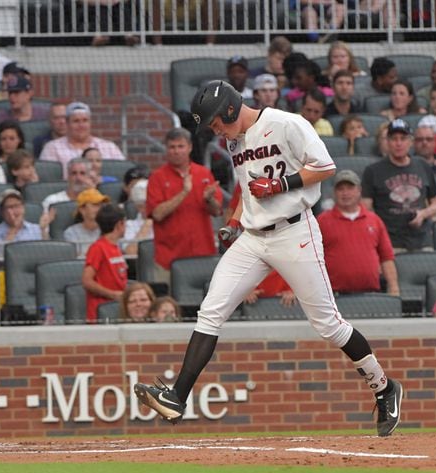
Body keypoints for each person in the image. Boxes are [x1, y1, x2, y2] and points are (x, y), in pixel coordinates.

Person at [133, 80, 403, 437]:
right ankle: (177, 397)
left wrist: (281, 185)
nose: (214, 129)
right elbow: (247, 189)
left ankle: (384, 386)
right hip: (253, 237)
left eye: (215, 121)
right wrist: (232, 223)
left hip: (295, 232)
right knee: (211, 311)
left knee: (328, 324)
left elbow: (324, 166)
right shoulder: (234, 139)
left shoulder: (286, 123)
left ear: (230, 108)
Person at [146, 127, 223, 286]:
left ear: (190, 147)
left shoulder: (203, 174)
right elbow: (157, 214)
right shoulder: (157, 177)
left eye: (180, 146)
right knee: (168, 306)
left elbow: (217, 211)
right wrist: (184, 192)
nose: (176, 151)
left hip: (203, 256)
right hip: (168, 259)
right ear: (166, 149)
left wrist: (209, 199)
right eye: (172, 147)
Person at [361, 119, 436, 252]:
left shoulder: (422, 165)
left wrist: (423, 214)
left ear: (410, 142)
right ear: (387, 142)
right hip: (391, 243)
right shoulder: (373, 171)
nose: (398, 143)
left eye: (403, 138)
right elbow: (366, 209)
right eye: (394, 139)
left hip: (422, 240)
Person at [318, 170, 399, 296]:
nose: (345, 193)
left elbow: (386, 257)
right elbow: (310, 258)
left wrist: (394, 288)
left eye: (350, 188)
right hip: (334, 296)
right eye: (341, 189)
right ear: (334, 192)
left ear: (359, 190)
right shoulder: (322, 221)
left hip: (371, 295)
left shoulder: (374, 220)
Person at [39, 101, 125, 177]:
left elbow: (122, 173)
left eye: (85, 120)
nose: (81, 125)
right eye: (76, 121)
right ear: (67, 123)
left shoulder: (109, 147)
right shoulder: (52, 148)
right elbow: (47, 179)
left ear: (90, 123)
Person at [81, 203, 128, 323]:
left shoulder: (116, 248)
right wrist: (112, 294)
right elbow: (87, 281)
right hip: (99, 314)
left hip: (116, 310)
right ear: (120, 224)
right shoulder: (98, 248)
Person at [0, 189, 45, 259]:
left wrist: (43, 230)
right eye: (10, 207)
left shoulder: (36, 228)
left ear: (23, 208)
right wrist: (13, 228)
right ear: (2, 211)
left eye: (17, 206)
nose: (15, 210)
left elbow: (44, 253)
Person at [64, 187, 110, 257]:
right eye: (95, 205)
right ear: (82, 209)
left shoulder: (109, 230)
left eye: (101, 205)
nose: (99, 208)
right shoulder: (71, 233)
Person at [122, 178, 153, 255]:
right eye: (140, 206)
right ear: (135, 206)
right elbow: (130, 252)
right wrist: (146, 226)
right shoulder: (130, 225)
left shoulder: (169, 221)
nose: (144, 210)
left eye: (147, 205)